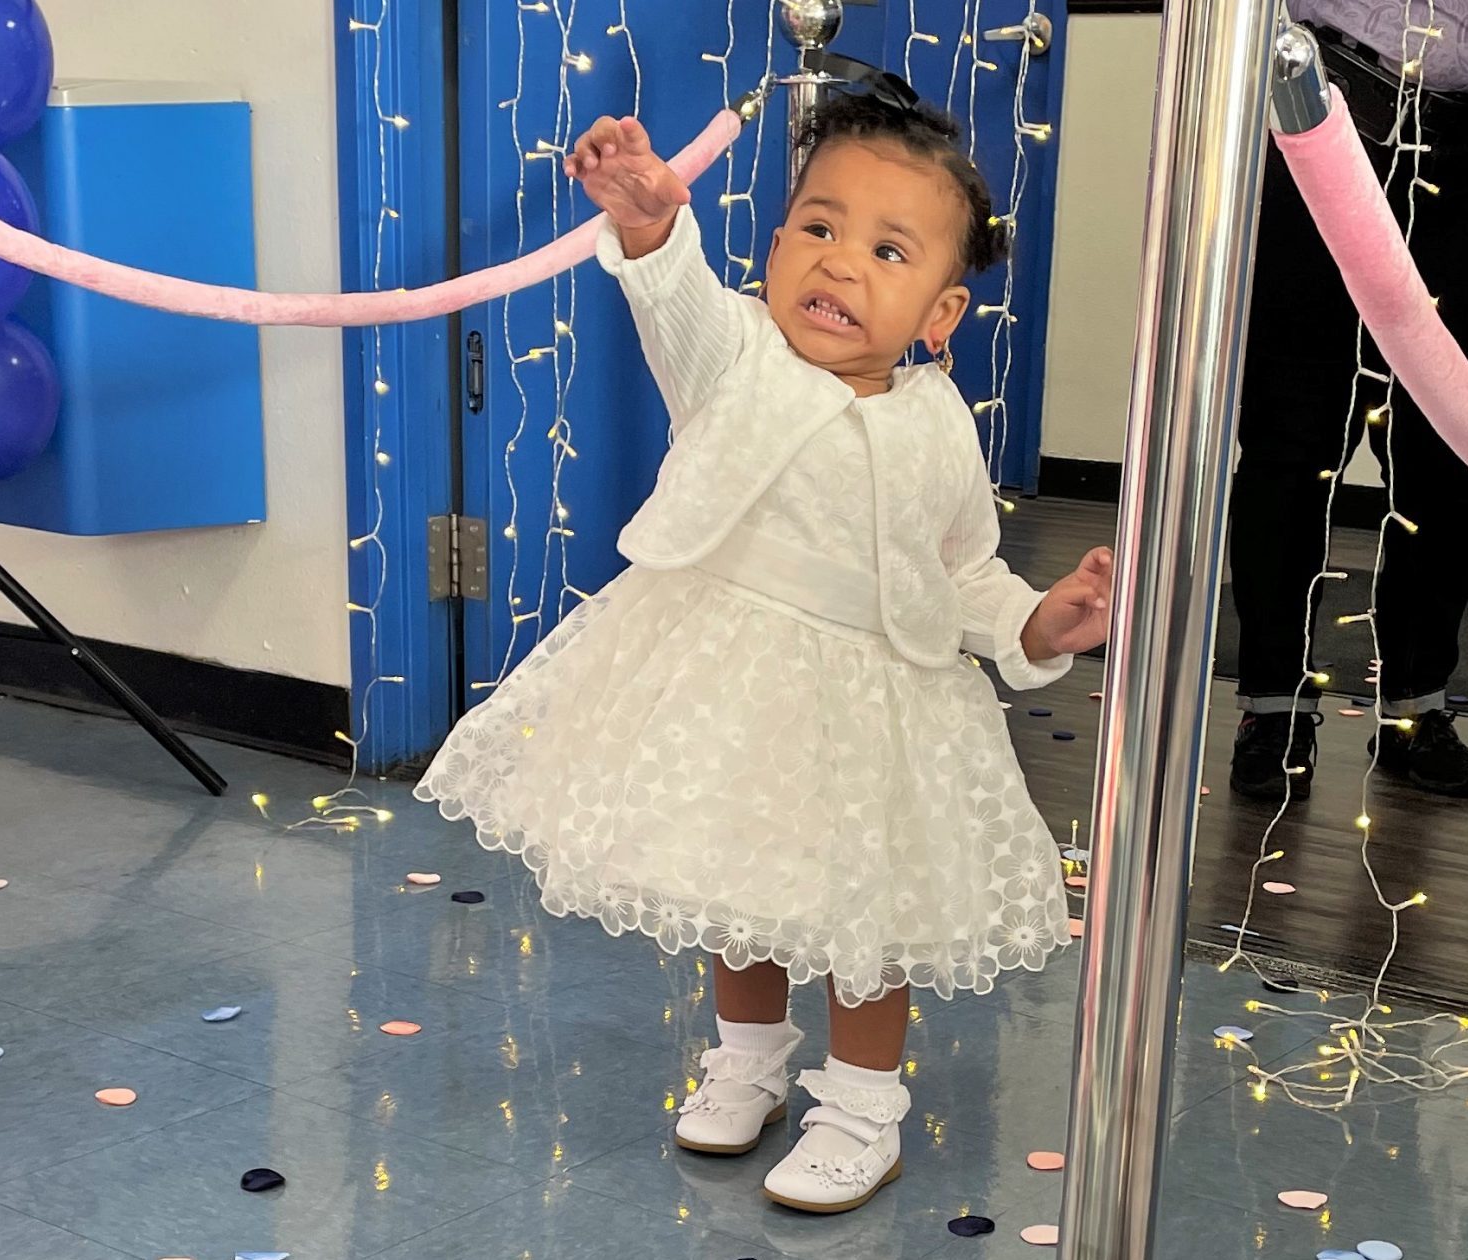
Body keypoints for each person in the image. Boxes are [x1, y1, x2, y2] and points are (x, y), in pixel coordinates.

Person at [416, 92, 1113, 1214]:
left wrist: (1040, 625)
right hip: (734, 685)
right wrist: (649, 224)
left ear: (940, 312)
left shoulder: (938, 421)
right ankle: (748, 1056)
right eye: (818, 228)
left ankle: (862, 1104)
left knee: (861, 919)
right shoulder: (736, 359)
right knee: (737, 887)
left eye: (885, 250)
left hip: (882, 703)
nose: (838, 266)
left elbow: (964, 572)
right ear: (778, 242)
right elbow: (674, 301)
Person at [1229, 12, 1468, 799]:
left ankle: (1417, 709)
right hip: (1324, 106)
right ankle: (1273, 708)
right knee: (1290, 440)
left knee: (1446, 451)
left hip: (1461, 145)